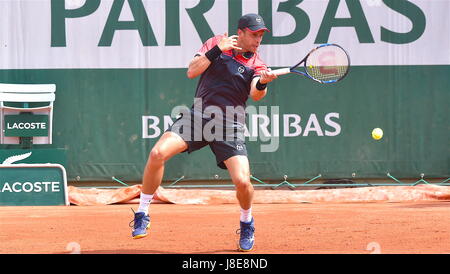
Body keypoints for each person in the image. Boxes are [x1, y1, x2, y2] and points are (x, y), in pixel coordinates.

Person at [130, 13, 278, 252]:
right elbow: (192, 71)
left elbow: (255, 93)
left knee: (243, 182)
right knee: (157, 154)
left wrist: (263, 82)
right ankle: (142, 213)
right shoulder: (216, 42)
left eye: (261, 35)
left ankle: (247, 221)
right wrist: (216, 50)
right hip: (198, 117)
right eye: (254, 34)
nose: (258, 39)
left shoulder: (257, 64)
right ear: (240, 32)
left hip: (229, 125)